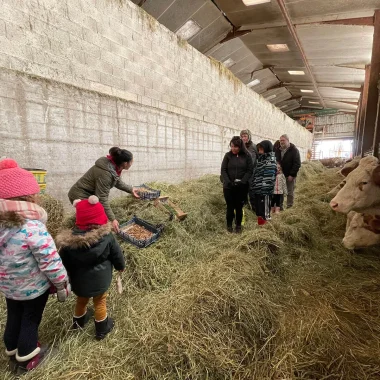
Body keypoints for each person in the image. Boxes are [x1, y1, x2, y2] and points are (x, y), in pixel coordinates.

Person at [0, 159, 70, 375]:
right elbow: (50, 261)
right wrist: (61, 284)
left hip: (9, 287)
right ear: (29, 197)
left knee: (14, 316)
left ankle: (11, 351)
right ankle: (28, 359)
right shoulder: (32, 228)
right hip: (32, 289)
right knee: (30, 320)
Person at [56, 196, 125, 340]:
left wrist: (66, 277)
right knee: (100, 301)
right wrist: (121, 267)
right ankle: (102, 328)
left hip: (79, 282)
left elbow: (62, 262)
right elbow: (117, 254)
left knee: (81, 300)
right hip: (100, 280)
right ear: (100, 218)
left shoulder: (69, 244)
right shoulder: (107, 237)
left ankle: (78, 322)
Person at [68, 147, 140, 233]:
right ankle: (80, 237)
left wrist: (131, 189)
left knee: (97, 218)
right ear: (125, 163)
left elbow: (118, 182)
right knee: (92, 223)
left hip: (90, 195)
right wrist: (112, 219)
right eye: (131, 161)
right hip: (80, 194)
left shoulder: (113, 167)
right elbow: (102, 198)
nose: (132, 163)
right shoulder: (106, 173)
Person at [221, 136, 253, 233]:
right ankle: (229, 226)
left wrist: (243, 182)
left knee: (239, 207)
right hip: (229, 187)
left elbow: (249, 170)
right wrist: (228, 181)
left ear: (240, 147)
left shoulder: (247, 156)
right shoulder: (228, 156)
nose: (233, 149)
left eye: (235, 147)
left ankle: (238, 226)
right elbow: (223, 170)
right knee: (230, 206)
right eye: (231, 146)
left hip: (241, 187)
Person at [251, 140, 277, 225]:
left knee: (264, 213)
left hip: (264, 192)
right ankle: (260, 227)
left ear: (267, 149)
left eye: (261, 149)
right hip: (258, 190)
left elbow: (268, 178)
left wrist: (263, 191)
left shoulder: (270, 161)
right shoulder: (261, 160)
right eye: (259, 149)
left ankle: (266, 229)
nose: (259, 151)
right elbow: (256, 174)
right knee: (259, 211)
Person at [275, 135, 301, 209]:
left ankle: (289, 207)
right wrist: (277, 164)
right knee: (280, 191)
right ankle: (280, 207)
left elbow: (297, 163)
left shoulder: (294, 150)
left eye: (283, 140)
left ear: (288, 140)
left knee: (290, 192)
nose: (281, 142)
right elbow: (276, 159)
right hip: (280, 174)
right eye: (280, 141)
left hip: (289, 175)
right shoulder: (278, 149)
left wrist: (292, 175)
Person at [240, 129, 257, 211]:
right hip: (243, 173)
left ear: (249, 137)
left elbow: (257, 159)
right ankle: (246, 208)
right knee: (243, 191)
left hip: (252, 173)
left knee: (252, 191)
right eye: (242, 136)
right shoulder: (240, 147)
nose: (243, 138)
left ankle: (255, 209)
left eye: (245, 136)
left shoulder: (253, 146)